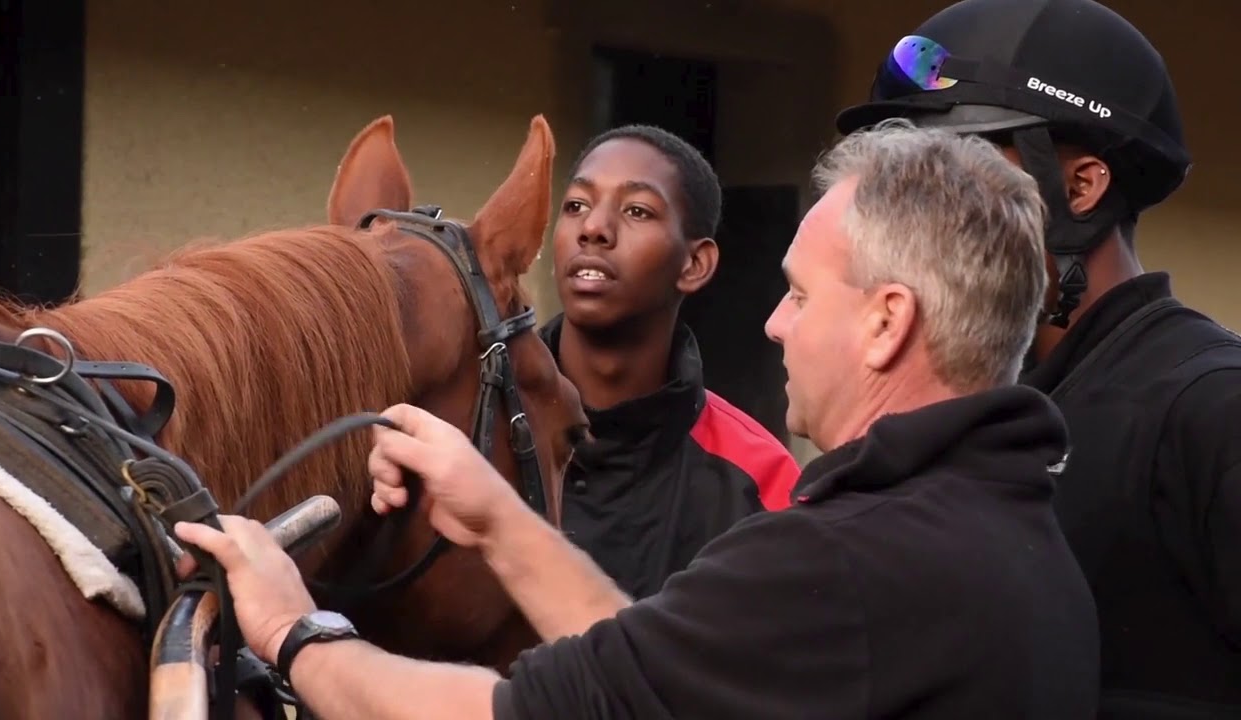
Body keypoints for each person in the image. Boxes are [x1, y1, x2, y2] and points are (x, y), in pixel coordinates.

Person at [174, 120, 1101, 719]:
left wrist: (296, 632)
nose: (774, 322)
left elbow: (529, 715)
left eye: (799, 296)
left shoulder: (841, 561)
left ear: (887, 320)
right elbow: (650, 681)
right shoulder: (1014, 537)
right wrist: (498, 516)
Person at [834, 1, 1241, 716]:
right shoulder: (952, 411)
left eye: (959, 178)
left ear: (1080, 188)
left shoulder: (1211, 406)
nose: (919, 218)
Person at [542, 124, 799, 599]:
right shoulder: (468, 435)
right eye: (576, 205)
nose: (593, 228)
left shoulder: (762, 481)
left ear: (694, 264)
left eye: (637, 210)